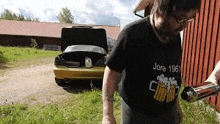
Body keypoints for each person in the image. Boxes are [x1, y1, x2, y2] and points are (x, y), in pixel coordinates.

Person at [102, 0, 201, 123]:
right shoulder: (132, 34)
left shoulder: (174, 36)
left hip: (167, 113)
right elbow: (111, 72)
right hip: (138, 114)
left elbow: (172, 74)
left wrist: (176, 106)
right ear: (160, 11)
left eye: (189, 19)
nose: (184, 26)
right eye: (180, 19)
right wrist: (107, 115)